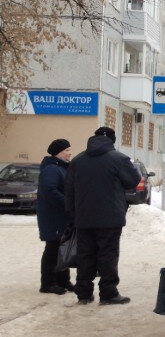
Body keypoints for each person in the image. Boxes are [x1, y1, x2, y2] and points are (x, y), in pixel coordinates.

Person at [64, 126, 140, 305]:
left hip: (83, 218)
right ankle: (108, 293)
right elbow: (133, 180)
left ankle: (83, 293)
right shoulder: (119, 159)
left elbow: (69, 190)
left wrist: (72, 215)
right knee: (108, 255)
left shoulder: (77, 160)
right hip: (110, 218)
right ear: (112, 140)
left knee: (85, 255)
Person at [36, 139, 73, 295]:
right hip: (53, 217)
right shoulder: (51, 169)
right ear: (58, 152)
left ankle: (63, 281)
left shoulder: (61, 168)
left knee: (62, 249)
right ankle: (47, 284)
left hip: (61, 216)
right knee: (52, 249)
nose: (70, 153)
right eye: (67, 150)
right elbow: (50, 191)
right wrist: (68, 203)